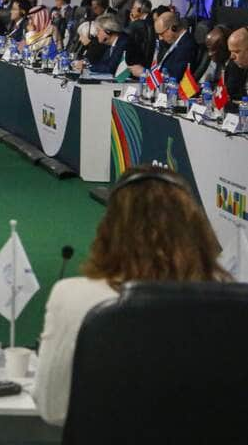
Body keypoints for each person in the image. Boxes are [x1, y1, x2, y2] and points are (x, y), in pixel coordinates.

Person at [32, 166, 228, 426]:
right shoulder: (230, 299)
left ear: (109, 228)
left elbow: (52, 408)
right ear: (196, 228)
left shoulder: (72, 296)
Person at [134, 11, 196, 81]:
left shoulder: (186, 46)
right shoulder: (174, 42)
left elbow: (174, 76)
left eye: (162, 34)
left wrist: (146, 74)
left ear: (173, 28)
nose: (160, 38)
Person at [223, 27, 248, 110]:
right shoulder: (234, 66)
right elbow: (231, 95)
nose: (232, 56)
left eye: (236, 52)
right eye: (231, 51)